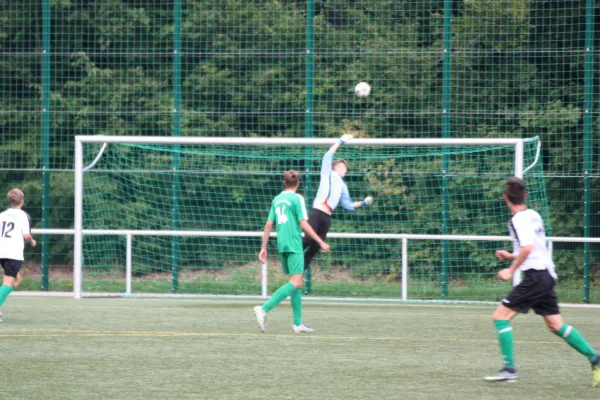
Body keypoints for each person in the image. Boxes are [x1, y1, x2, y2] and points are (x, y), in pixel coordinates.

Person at [484, 177, 600, 387]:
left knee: (500, 316)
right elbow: (531, 248)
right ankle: (596, 359)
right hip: (546, 275)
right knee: (556, 325)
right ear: (525, 196)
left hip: (536, 276)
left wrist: (510, 271)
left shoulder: (517, 220)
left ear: (505, 198)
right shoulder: (533, 215)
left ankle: (509, 369)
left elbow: (528, 249)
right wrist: (511, 255)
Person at [254, 170, 330, 333]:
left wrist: (263, 248)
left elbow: (268, 225)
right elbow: (303, 223)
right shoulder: (297, 198)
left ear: (284, 182)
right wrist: (320, 241)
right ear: (298, 183)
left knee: (296, 282)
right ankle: (264, 308)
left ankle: (298, 323)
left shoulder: (277, 199)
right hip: (294, 244)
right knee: (295, 282)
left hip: (282, 245)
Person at [302, 134, 373, 272]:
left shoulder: (343, 186)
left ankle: (299, 271)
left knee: (316, 246)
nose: (346, 170)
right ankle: (290, 256)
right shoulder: (327, 172)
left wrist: (364, 203)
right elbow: (328, 156)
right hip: (317, 212)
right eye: (345, 168)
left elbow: (348, 204)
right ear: (337, 168)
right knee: (309, 239)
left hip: (327, 217)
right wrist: (340, 142)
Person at [0, 188, 37, 322]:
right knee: (9, 282)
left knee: (16, 280)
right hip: (13, 253)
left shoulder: (2, 214)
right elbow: (26, 235)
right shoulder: (22, 215)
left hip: (2, 252)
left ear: (11, 201)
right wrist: (32, 241)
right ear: (22, 201)